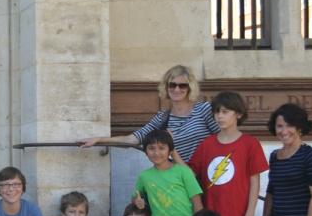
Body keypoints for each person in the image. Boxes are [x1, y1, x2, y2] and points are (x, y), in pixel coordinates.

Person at [80, 64, 218, 164]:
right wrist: (99, 140)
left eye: (182, 85)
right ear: (166, 87)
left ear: (190, 88)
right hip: (179, 178)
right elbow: (134, 139)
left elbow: (223, 138)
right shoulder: (163, 117)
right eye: (172, 85)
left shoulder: (204, 109)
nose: (177, 89)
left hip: (206, 173)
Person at [189, 91, 266, 216]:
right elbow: (189, 175)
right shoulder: (207, 144)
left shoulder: (250, 144)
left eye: (225, 112)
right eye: (217, 112)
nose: (219, 116)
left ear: (238, 114)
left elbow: (255, 182)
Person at [133, 129, 204, 216]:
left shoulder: (183, 171)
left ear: (170, 151)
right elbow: (136, 196)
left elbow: (197, 203)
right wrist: (137, 201)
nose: (156, 153)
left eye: (161, 148)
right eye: (151, 148)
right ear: (145, 152)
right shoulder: (144, 176)